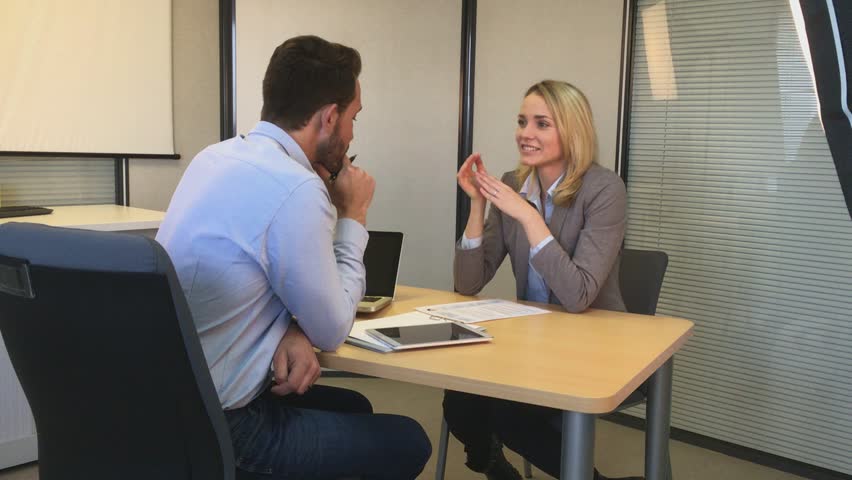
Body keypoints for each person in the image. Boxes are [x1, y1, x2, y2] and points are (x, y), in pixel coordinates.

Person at [156, 35, 430, 480]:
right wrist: (354, 215)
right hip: (226, 426)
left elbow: (244, 276)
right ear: (329, 118)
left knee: (355, 405)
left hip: (170, 405)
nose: (354, 133)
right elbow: (334, 327)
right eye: (354, 118)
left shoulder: (214, 158)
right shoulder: (296, 188)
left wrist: (290, 327)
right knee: (407, 439)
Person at [445, 80, 641, 480]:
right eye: (522, 121)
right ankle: (496, 467)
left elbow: (579, 295)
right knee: (459, 398)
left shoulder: (604, 190)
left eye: (541, 124)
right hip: (535, 344)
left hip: (594, 345)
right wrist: (478, 204)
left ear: (572, 130)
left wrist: (529, 216)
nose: (525, 134)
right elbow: (468, 282)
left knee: (509, 411)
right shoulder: (512, 184)